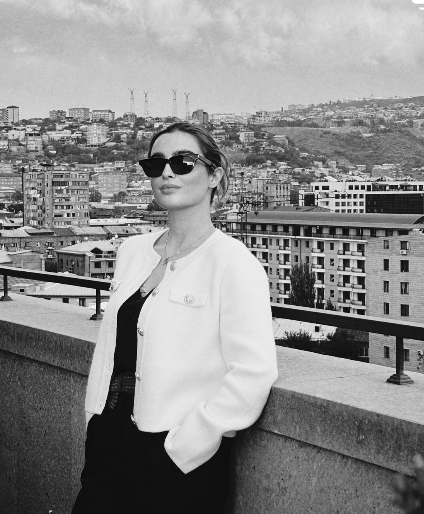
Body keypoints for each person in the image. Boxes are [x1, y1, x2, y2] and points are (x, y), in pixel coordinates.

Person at [72, 122, 280, 513]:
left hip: (175, 455)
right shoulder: (133, 251)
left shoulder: (233, 263)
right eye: (156, 164)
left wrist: (186, 445)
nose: (167, 172)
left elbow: (254, 371)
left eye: (183, 162)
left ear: (214, 175)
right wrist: (94, 419)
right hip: (108, 438)